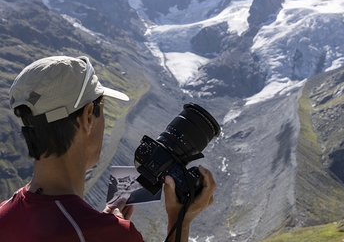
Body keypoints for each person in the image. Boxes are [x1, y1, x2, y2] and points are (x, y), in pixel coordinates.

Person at [0, 56, 216, 242]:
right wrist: (181, 222)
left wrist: (101, 224)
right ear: (87, 118)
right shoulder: (110, 235)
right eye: (102, 109)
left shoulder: (4, 215)